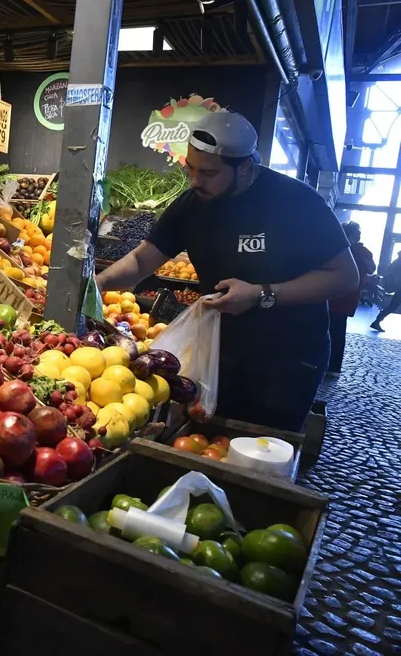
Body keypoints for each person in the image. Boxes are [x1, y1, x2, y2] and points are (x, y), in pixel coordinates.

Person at [97, 111, 360, 432]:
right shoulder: (191, 205)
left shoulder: (297, 202)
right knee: (207, 437)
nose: (195, 181)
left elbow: (345, 276)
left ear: (245, 166)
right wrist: (96, 284)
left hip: (288, 358)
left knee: (265, 445)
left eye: (209, 172)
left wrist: (261, 294)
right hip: (220, 351)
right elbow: (141, 261)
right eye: (190, 168)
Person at [327, 222, 375, 372]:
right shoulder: (364, 252)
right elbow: (371, 269)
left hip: (334, 296)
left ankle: (329, 365)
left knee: (330, 330)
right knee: (338, 331)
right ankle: (334, 367)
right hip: (348, 297)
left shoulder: (342, 250)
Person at [371, 254, 401, 332]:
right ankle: (377, 321)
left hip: (398, 288)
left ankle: (377, 321)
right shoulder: (398, 263)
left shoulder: (396, 262)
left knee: (392, 306)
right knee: (392, 306)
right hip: (399, 289)